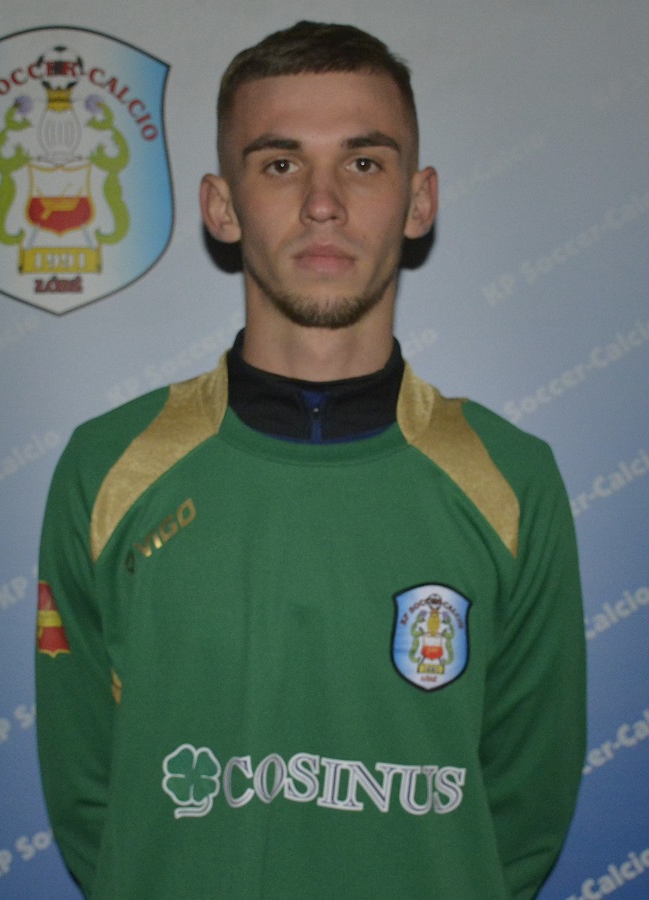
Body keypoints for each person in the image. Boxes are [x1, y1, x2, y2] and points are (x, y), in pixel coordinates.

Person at [36, 20, 586, 899]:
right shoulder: (107, 470)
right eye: (281, 163)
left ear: (419, 201)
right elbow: (91, 799)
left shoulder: (511, 480)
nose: (322, 202)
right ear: (222, 206)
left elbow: (523, 814)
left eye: (363, 162)